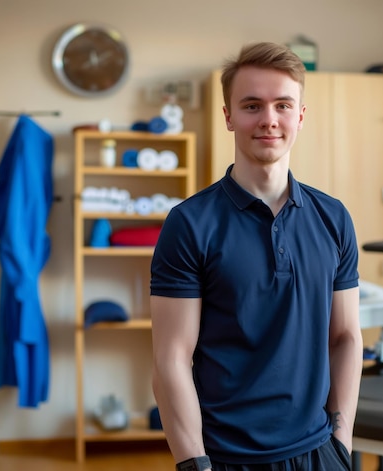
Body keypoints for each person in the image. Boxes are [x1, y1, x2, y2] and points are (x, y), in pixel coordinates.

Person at [150, 41, 362, 471]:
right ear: (228, 116)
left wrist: (341, 443)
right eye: (252, 105)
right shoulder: (190, 224)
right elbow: (171, 358)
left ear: (300, 117)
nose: (269, 120)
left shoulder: (333, 218)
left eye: (283, 105)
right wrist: (194, 463)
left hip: (320, 453)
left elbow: (345, 338)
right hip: (228, 459)